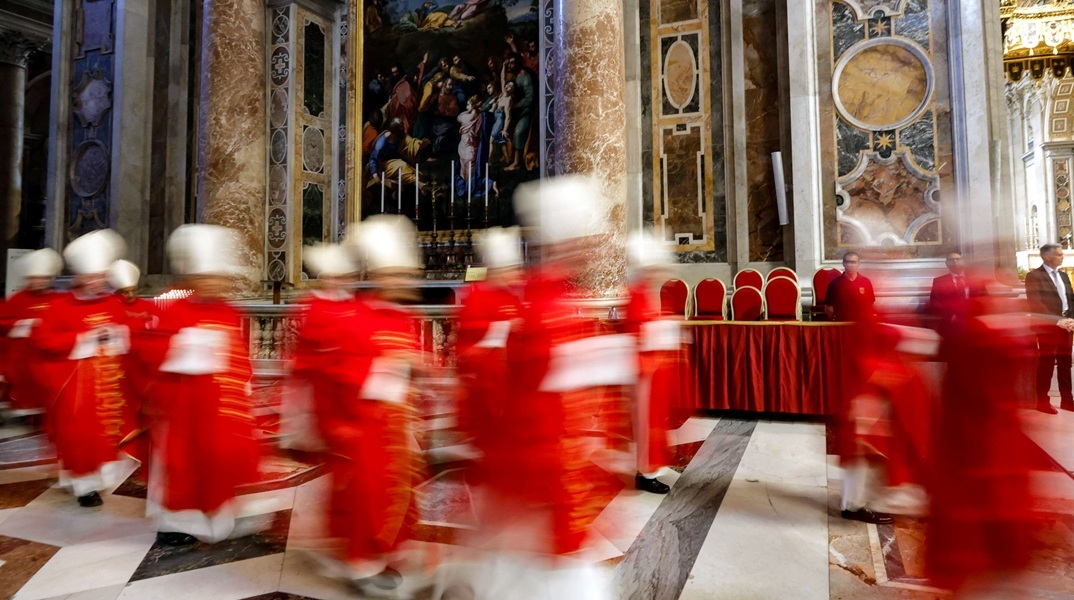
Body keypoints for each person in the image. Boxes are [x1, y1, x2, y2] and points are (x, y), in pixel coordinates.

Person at [310, 215, 423, 593]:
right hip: (364, 428)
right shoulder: (355, 319)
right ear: (380, 276)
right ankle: (362, 565)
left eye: (407, 276)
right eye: (397, 276)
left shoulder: (403, 319)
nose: (404, 283)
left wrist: (419, 372)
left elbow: (412, 364)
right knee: (368, 499)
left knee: (395, 498)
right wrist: (392, 370)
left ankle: (384, 554)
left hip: (395, 428)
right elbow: (338, 374)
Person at [137, 225, 261, 546]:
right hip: (183, 406)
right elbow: (143, 345)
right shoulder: (168, 302)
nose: (214, 284)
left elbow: (237, 352)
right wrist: (183, 349)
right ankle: (175, 523)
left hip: (220, 405)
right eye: (207, 278)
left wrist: (243, 382)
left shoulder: (226, 309)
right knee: (182, 465)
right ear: (191, 276)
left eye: (219, 278)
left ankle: (218, 515)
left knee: (220, 459)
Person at [33, 229, 130, 507]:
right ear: (77, 277)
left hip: (109, 384)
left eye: (101, 275)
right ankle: (83, 485)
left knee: (105, 435)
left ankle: (96, 479)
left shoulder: (113, 302)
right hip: (75, 386)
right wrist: (86, 339)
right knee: (79, 435)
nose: (98, 281)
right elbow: (44, 340)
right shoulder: (60, 306)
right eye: (91, 276)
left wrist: (118, 336)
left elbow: (128, 333)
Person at [455, 227, 524, 496]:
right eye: (510, 269)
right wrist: (505, 327)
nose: (515, 275)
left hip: (506, 373)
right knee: (486, 425)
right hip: (484, 375)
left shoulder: (509, 296)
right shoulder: (477, 294)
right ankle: (485, 467)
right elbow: (468, 333)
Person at [286, 243, 360, 453]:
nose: (336, 282)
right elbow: (305, 343)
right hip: (320, 380)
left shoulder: (354, 306)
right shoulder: (313, 305)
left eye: (342, 277)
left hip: (348, 381)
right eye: (332, 277)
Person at [623, 231, 682, 495]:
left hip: (651, 367)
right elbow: (636, 329)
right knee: (646, 424)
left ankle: (650, 468)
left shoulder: (644, 290)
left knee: (653, 422)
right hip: (643, 370)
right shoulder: (636, 293)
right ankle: (645, 473)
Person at [107, 259, 159, 466]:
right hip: (118, 366)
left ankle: (141, 441)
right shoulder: (109, 306)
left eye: (133, 291)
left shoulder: (146, 306)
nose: (130, 295)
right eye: (124, 292)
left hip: (142, 365)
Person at [0, 248, 64, 413]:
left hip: (48, 354)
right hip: (24, 353)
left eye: (44, 278)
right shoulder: (17, 299)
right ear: (29, 279)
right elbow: (3, 322)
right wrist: (24, 324)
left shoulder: (58, 299)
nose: (40, 282)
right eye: (36, 278)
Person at [1025, 243, 1074, 413]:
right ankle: (1042, 402)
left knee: (1065, 364)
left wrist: (1071, 319)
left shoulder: (1063, 275)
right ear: (1047, 257)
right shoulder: (1034, 276)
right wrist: (1056, 321)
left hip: (1066, 327)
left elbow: (1070, 300)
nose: (1062, 257)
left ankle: (1068, 400)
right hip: (1047, 327)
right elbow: (1036, 304)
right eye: (1059, 254)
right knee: (1046, 364)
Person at [928, 251, 987, 340]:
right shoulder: (939, 282)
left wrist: (974, 316)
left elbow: (984, 299)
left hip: (973, 322)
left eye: (958, 259)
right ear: (947, 264)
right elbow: (935, 303)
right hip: (949, 324)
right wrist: (951, 317)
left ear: (963, 261)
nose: (955, 261)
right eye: (951, 260)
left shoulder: (976, 281)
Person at [825, 251, 876, 324]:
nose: (850, 265)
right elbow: (828, 308)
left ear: (858, 264)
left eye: (853, 262)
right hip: (842, 323)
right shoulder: (835, 283)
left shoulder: (866, 282)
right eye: (847, 262)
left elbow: (871, 303)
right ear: (843, 263)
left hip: (862, 324)